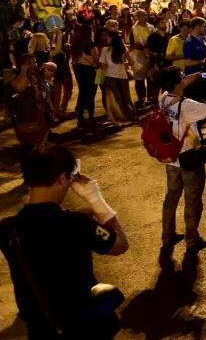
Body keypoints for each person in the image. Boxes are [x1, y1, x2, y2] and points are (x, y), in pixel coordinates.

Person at [0, 145, 129, 338]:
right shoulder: (76, 223)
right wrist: (95, 198)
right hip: (81, 327)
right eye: (69, 178)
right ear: (62, 178)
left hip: (40, 329)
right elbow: (121, 244)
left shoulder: (8, 229)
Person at [156, 67, 206, 254]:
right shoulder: (187, 105)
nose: (185, 78)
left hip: (172, 158)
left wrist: (201, 73)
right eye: (182, 77)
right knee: (192, 201)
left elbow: (182, 82)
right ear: (176, 83)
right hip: (189, 158)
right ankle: (192, 240)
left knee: (171, 198)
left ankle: (167, 235)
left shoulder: (163, 98)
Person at [99, 30, 137, 126]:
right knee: (126, 97)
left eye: (108, 37)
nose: (107, 39)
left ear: (111, 38)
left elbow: (103, 66)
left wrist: (99, 78)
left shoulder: (105, 50)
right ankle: (132, 115)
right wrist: (123, 64)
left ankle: (119, 117)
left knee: (114, 99)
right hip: (122, 76)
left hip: (110, 76)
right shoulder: (123, 49)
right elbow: (131, 62)